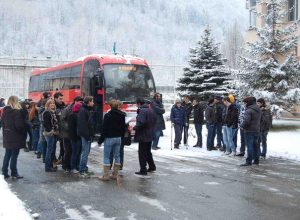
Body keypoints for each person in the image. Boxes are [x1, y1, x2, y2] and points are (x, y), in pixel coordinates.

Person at [99, 99, 126, 181]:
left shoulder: (108, 115)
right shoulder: (122, 115)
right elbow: (123, 128)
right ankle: (115, 175)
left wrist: (100, 140)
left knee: (106, 156)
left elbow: (104, 129)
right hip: (118, 138)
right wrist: (121, 137)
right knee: (117, 155)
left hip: (109, 138)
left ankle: (106, 176)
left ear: (110, 106)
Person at [1, 96, 26, 179]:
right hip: (16, 137)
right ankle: (14, 172)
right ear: (16, 102)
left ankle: (4, 171)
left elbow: (3, 124)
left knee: (7, 154)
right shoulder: (16, 112)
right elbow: (19, 126)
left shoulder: (5, 111)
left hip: (7, 136)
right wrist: (23, 130)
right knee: (14, 155)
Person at [60, 96, 83, 173]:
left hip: (75, 134)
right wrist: (70, 127)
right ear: (75, 101)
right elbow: (62, 120)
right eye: (79, 102)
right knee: (68, 150)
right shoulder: (67, 109)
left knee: (75, 151)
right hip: (67, 134)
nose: (81, 103)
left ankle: (74, 165)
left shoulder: (79, 109)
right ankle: (66, 166)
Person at [134, 98, 157, 176]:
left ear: (139, 103)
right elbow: (155, 120)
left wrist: (135, 127)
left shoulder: (142, 111)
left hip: (143, 135)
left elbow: (141, 122)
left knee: (142, 152)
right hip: (150, 134)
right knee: (148, 152)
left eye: (136, 104)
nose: (136, 105)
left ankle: (143, 169)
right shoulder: (151, 110)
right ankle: (152, 166)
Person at [240, 97, 262, 166]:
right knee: (256, 146)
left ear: (248, 103)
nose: (244, 104)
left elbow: (246, 121)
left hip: (249, 130)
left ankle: (248, 161)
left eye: (245, 103)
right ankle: (256, 160)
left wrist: (242, 126)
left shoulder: (249, 110)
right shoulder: (258, 109)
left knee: (249, 146)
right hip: (257, 130)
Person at [77, 96, 95, 177]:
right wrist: (87, 136)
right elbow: (83, 125)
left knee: (86, 153)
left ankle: (84, 168)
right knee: (85, 153)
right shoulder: (83, 110)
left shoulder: (86, 110)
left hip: (87, 135)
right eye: (92, 101)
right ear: (88, 102)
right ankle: (82, 170)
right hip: (86, 135)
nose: (93, 103)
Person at [43, 99, 59, 172]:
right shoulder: (47, 112)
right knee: (49, 151)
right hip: (49, 134)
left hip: (53, 133)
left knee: (51, 150)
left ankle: (50, 166)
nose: (52, 104)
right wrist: (51, 131)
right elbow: (46, 124)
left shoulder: (53, 112)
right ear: (48, 105)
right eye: (50, 103)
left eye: (53, 103)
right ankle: (47, 167)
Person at [53, 92, 66, 165]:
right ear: (55, 98)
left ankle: (61, 158)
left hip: (62, 129)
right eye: (60, 99)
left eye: (62, 98)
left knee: (62, 145)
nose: (61, 100)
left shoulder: (63, 106)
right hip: (55, 130)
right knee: (53, 146)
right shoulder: (53, 106)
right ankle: (53, 160)